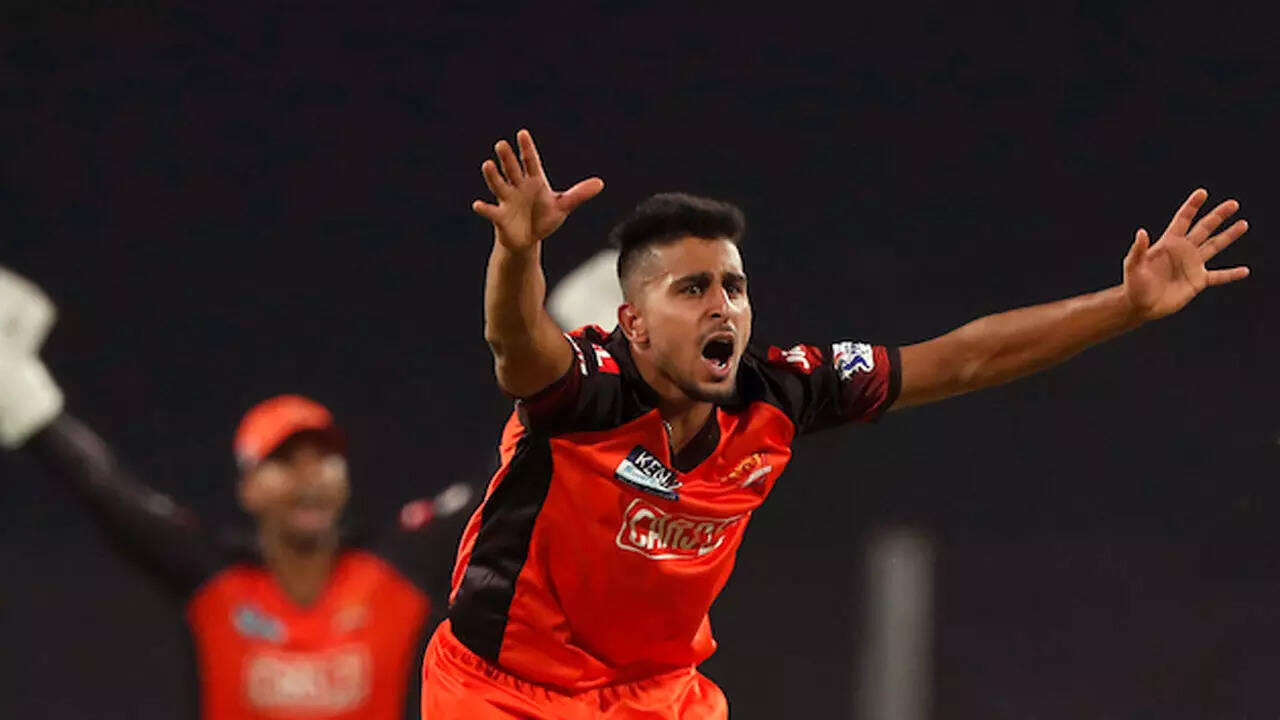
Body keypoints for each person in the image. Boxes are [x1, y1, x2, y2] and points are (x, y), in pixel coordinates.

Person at [419, 129, 1253, 719]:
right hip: (504, 693)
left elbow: (963, 359)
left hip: (658, 697)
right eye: (692, 289)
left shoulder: (781, 392)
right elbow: (514, 342)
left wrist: (1125, 306)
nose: (722, 306)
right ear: (631, 323)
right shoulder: (585, 392)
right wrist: (517, 251)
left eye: (733, 287)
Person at [0, 268, 475, 720]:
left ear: (345, 480)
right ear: (248, 488)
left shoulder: (395, 568)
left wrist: (529, 346)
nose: (309, 477)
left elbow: (501, 487)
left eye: (324, 460)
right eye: (285, 462)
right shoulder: (215, 576)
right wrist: (28, 404)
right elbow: (104, 489)